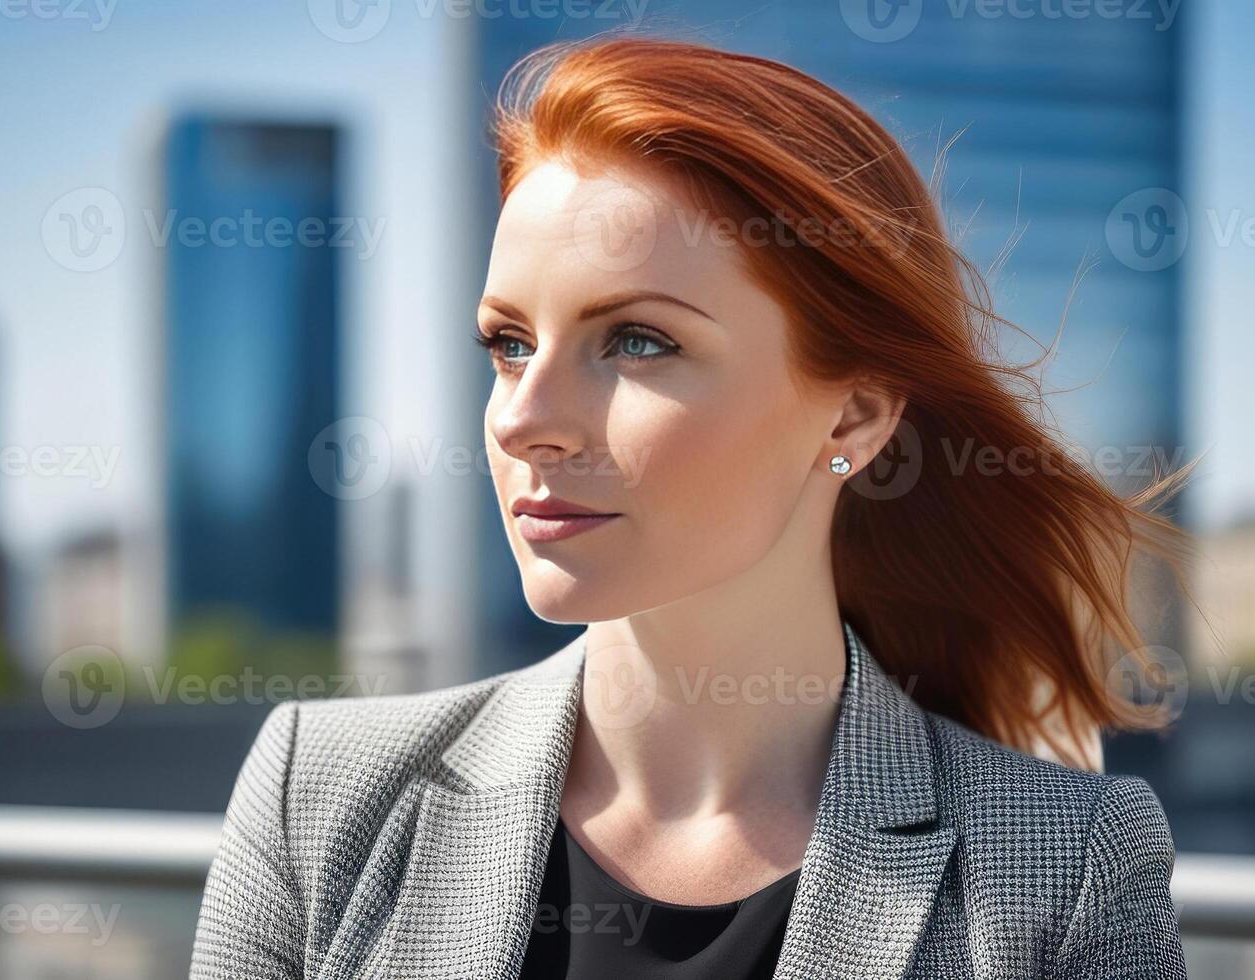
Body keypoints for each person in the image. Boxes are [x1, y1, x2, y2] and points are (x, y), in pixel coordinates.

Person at [190, 35, 1195, 980]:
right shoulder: (315, 796)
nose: (523, 419)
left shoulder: (1065, 866)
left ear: (853, 413)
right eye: (508, 343)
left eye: (636, 340)